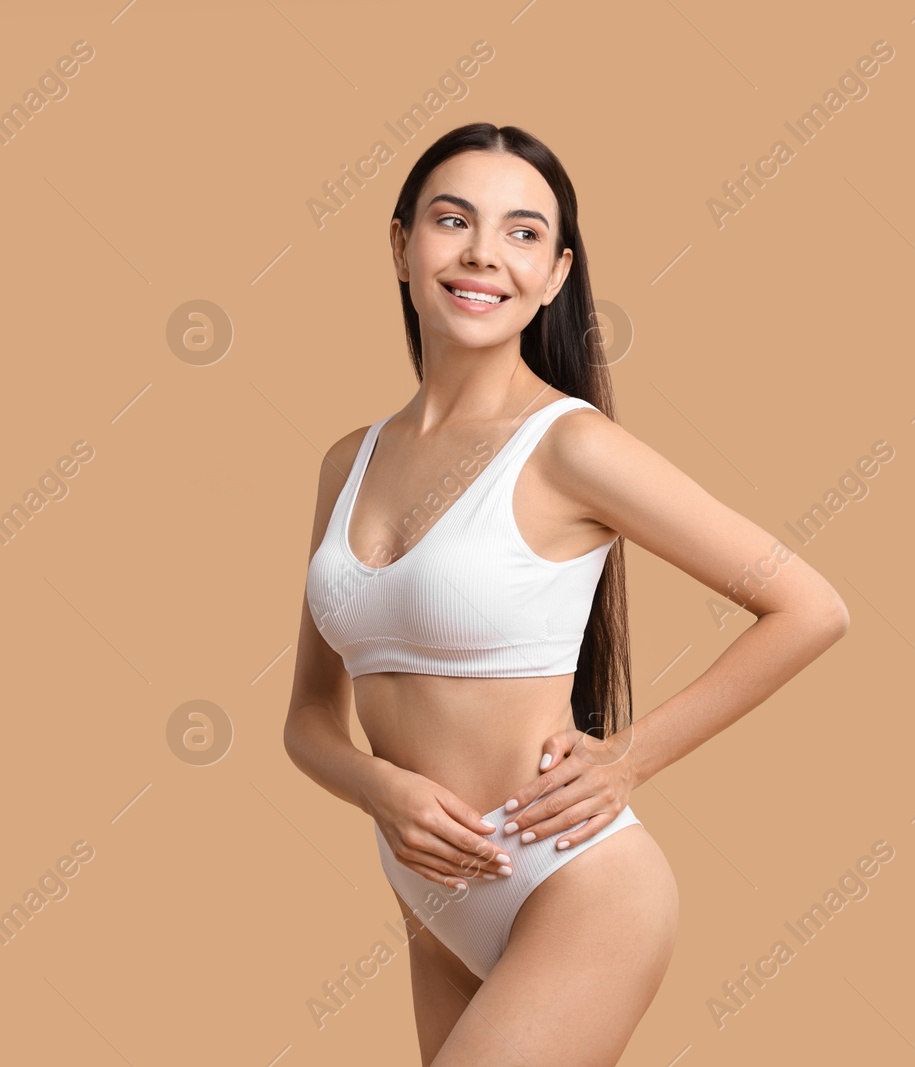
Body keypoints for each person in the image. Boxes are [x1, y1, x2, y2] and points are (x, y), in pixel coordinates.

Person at [284, 122, 849, 1066]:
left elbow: (808, 606)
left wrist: (629, 757)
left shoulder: (569, 445)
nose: (481, 254)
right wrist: (381, 788)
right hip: (429, 897)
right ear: (400, 245)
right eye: (452, 220)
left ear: (554, 274)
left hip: (575, 888)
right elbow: (306, 717)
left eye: (522, 232)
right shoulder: (350, 461)